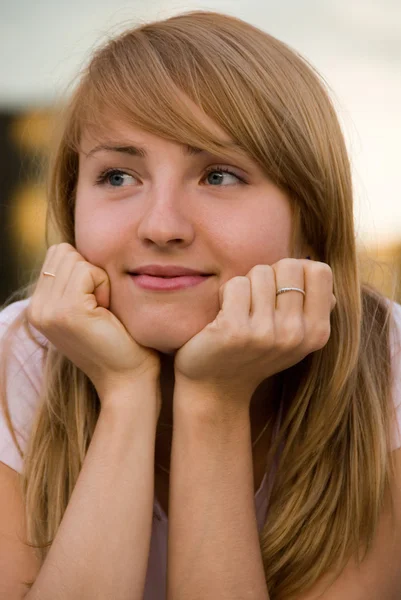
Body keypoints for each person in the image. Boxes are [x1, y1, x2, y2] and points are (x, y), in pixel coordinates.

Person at [1, 10, 401, 600]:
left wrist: (212, 404)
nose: (162, 226)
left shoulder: (387, 368)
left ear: (310, 219)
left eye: (218, 175)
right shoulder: (17, 357)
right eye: (116, 176)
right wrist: (126, 392)